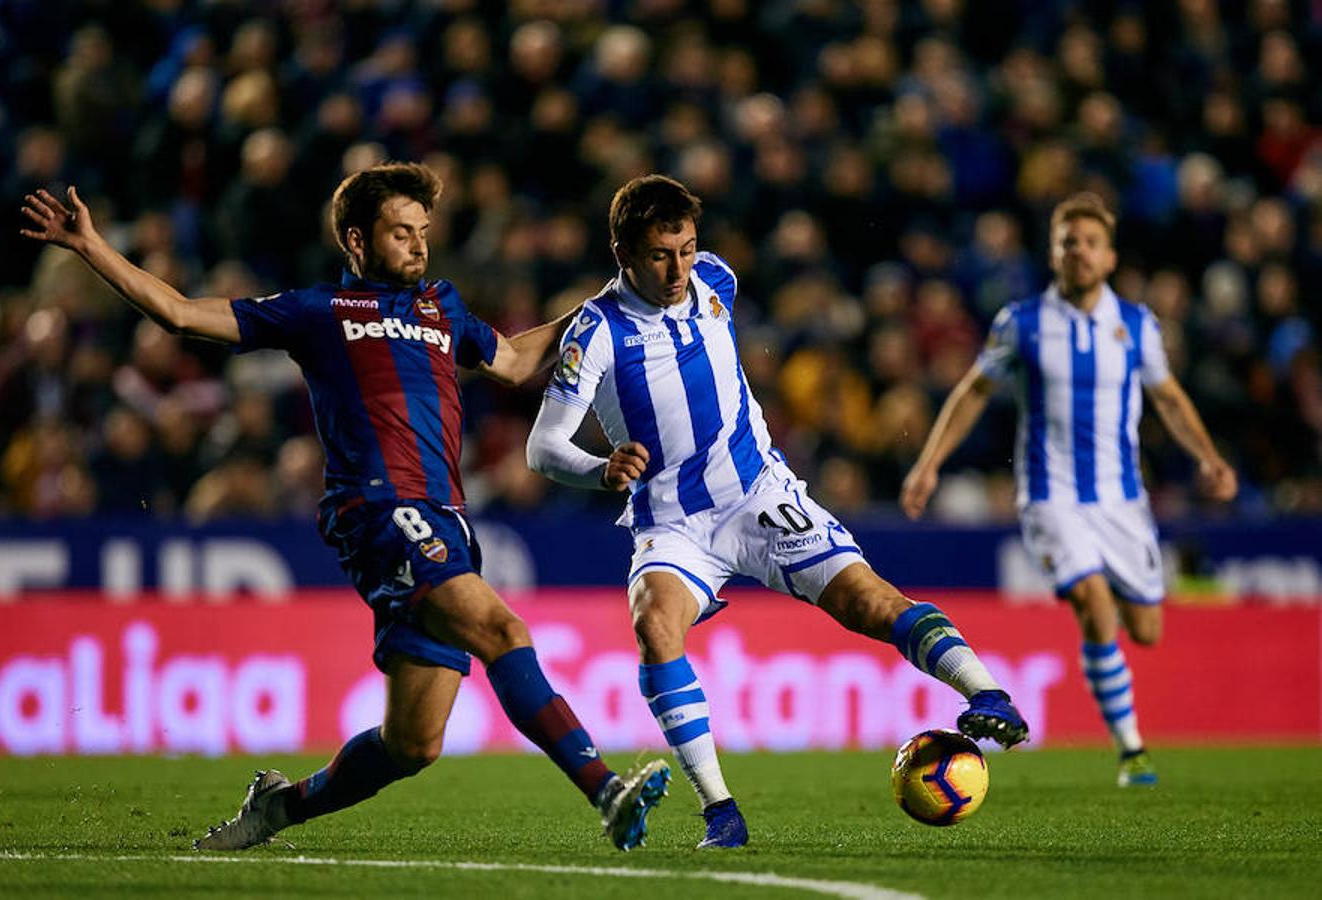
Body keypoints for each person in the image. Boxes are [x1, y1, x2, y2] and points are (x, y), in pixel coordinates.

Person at [19, 163, 670, 851]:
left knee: (412, 744)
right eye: (401, 233)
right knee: (503, 631)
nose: (419, 246)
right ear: (357, 240)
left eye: (423, 232)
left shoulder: (440, 306)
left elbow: (510, 361)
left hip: (445, 517)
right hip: (382, 512)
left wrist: (603, 304)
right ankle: (606, 790)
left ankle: (275, 809)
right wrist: (91, 247)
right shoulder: (319, 311)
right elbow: (180, 313)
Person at [525, 174, 1028, 849]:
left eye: (687, 249)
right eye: (659, 255)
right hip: (672, 521)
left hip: (759, 494)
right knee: (654, 624)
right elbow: (542, 448)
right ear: (622, 252)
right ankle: (721, 812)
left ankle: (987, 694)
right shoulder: (598, 331)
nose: (679, 269)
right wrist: (599, 468)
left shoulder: (715, 280)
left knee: (867, 601)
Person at [901, 192, 1238, 787]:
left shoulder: (1136, 325)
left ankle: (1130, 679)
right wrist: (929, 463)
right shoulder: (1022, 322)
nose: (1078, 251)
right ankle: (1132, 750)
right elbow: (975, 391)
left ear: (1109, 258)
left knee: (1147, 630)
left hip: (1123, 500)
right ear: (1053, 254)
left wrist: (1208, 457)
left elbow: (1168, 398)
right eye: (1067, 242)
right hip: (1050, 496)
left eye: (1089, 242)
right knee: (1092, 600)